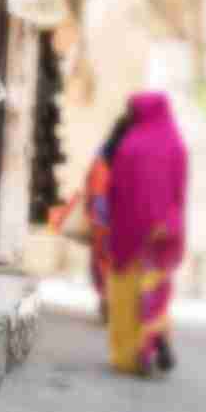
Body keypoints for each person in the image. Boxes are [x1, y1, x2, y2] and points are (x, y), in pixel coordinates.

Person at [107, 92, 188, 376]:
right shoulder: (175, 144)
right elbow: (179, 192)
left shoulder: (130, 145)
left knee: (128, 290)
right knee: (155, 289)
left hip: (132, 229)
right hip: (164, 232)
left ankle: (130, 354)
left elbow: (116, 190)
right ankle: (153, 341)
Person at [83, 113, 133, 323]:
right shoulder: (135, 150)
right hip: (121, 209)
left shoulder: (105, 149)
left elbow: (92, 176)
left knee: (102, 258)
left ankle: (108, 299)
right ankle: (113, 301)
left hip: (102, 208)